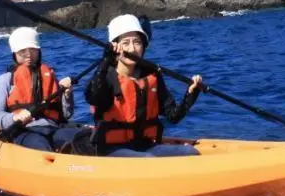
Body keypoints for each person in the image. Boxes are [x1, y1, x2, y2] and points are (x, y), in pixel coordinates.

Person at [79, 13, 205, 157]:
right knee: (148, 159)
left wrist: (191, 94)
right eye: (126, 43)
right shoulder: (106, 76)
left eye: (137, 42)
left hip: (145, 147)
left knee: (190, 151)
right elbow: (94, 97)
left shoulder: (152, 75)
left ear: (143, 45)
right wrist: (105, 61)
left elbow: (173, 116)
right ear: (115, 47)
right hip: (111, 150)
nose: (132, 49)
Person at [0, 26, 77, 152]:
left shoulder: (50, 75)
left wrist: (67, 96)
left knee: (78, 138)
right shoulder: (5, 80)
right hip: (24, 131)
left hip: (53, 128)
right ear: (15, 53)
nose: (28, 54)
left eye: (33, 50)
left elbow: (66, 114)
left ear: (38, 51)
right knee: (40, 144)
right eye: (22, 51)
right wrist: (15, 118)